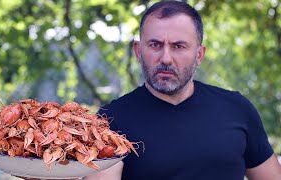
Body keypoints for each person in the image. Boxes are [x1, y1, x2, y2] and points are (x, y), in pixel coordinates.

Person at [84, 1, 281, 180]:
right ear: (138, 51)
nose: (166, 58)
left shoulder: (237, 108)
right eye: (155, 45)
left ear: (199, 55)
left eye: (178, 46)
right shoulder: (109, 122)